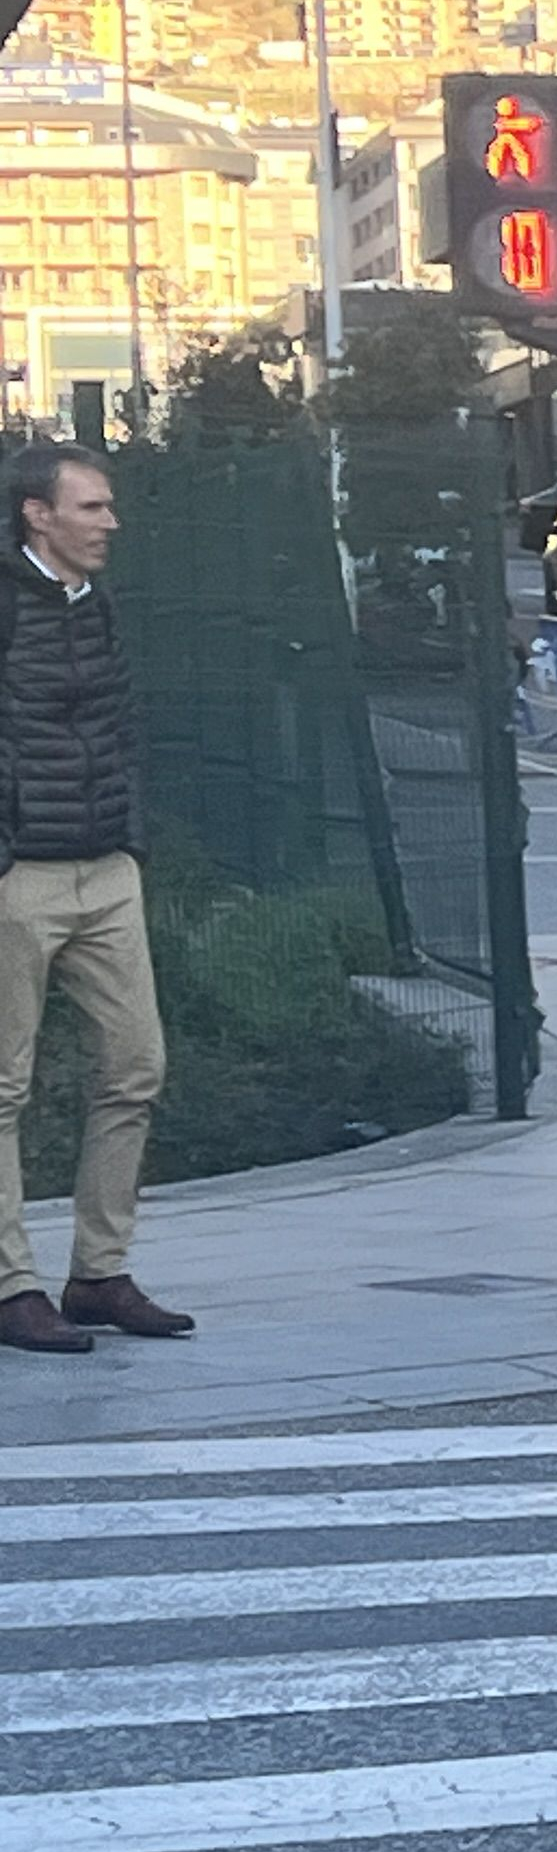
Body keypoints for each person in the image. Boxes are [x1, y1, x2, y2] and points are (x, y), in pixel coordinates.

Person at [0, 442, 191, 1354]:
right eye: (91, 508)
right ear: (39, 515)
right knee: (4, 1084)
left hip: (106, 868)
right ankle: (9, 1286)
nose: (110, 523)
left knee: (136, 1064)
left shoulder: (97, 604)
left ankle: (99, 1274)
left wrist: (131, 839)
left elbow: (119, 726)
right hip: (18, 876)